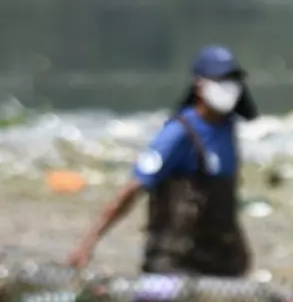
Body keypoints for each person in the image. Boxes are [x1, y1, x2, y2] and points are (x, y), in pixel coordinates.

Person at [67, 45, 259, 278]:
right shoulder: (179, 133)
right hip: (176, 263)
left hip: (222, 264)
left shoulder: (227, 129)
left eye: (233, 80)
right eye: (222, 80)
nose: (229, 88)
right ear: (200, 84)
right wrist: (88, 244)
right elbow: (134, 188)